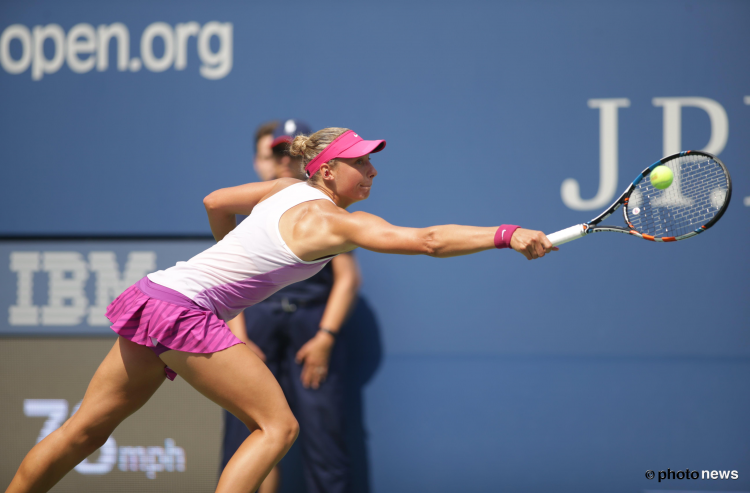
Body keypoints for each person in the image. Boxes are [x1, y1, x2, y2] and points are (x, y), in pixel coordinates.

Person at [5, 127, 555, 493]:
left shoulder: (283, 189)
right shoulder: (334, 222)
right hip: (187, 312)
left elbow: (214, 202)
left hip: (154, 295)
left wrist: (229, 253)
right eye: (360, 162)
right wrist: (507, 234)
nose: (372, 171)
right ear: (327, 170)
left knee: (85, 432)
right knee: (277, 426)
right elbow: (430, 241)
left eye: (371, 163)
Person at [221, 120, 362, 493]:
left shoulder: (322, 208)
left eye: (293, 152)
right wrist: (238, 339)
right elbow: (227, 275)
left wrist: (325, 337)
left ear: (311, 160)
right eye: (277, 152)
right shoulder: (259, 200)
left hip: (310, 326)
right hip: (256, 322)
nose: (286, 160)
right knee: (253, 432)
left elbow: (347, 277)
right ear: (260, 160)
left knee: (322, 435)